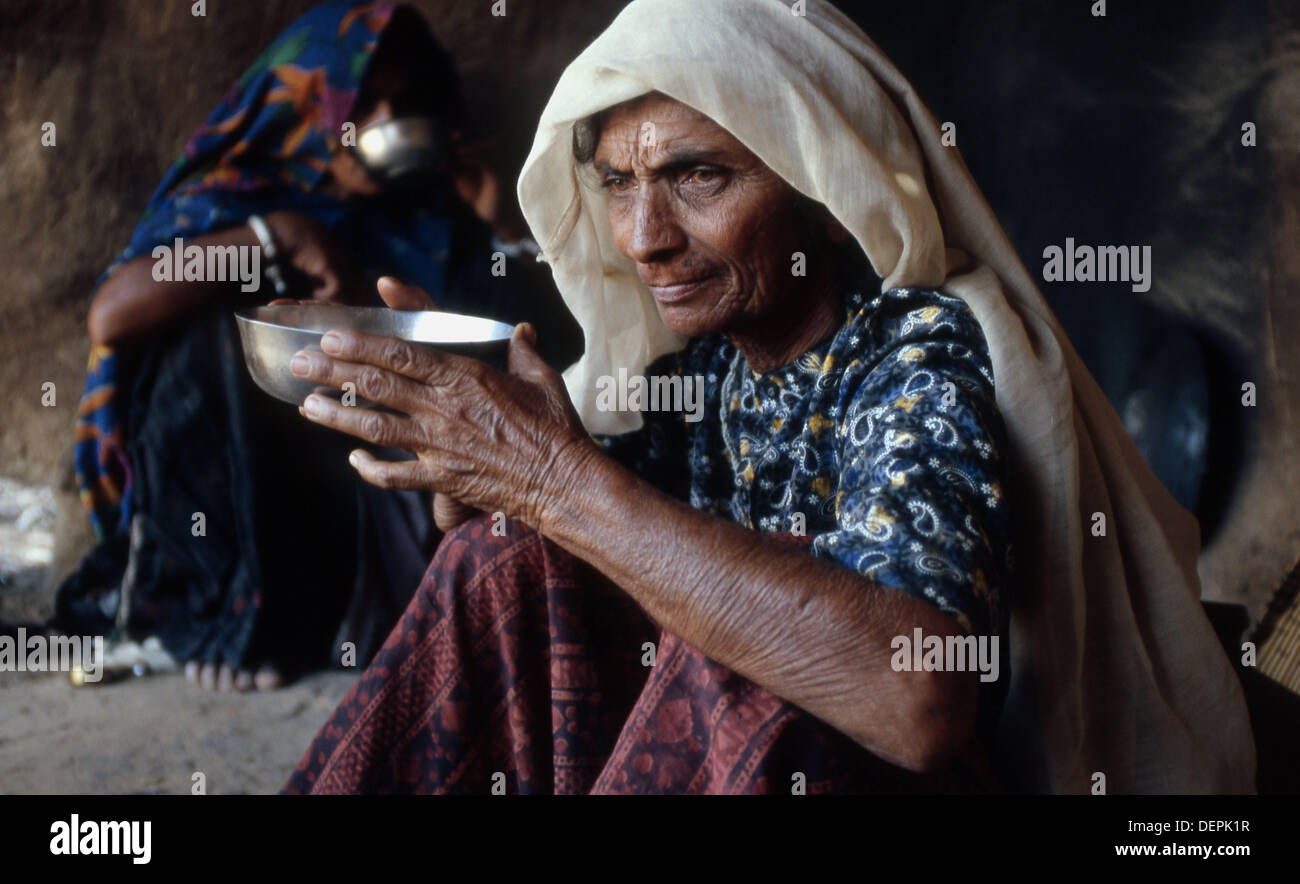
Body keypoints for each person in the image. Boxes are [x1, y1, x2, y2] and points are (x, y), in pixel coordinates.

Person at [282, 0, 1255, 793]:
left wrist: (546, 474)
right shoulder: (707, 371)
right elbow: (556, 573)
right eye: (618, 183)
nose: (642, 236)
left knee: (762, 623)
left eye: (696, 177)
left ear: (824, 196)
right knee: (503, 564)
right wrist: (474, 468)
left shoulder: (916, 355)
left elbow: (917, 695)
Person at [55, 1, 570, 692]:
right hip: (246, 475)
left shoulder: (430, 213)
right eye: (365, 103)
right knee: (209, 329)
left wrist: (500, 224)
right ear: (313, 106)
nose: (385, 123)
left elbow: (518, 351)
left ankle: (320, 622)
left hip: (373, 473)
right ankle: (232, 615)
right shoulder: (236, 198)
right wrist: (278, 237)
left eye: (404, 103)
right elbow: (111, 316)